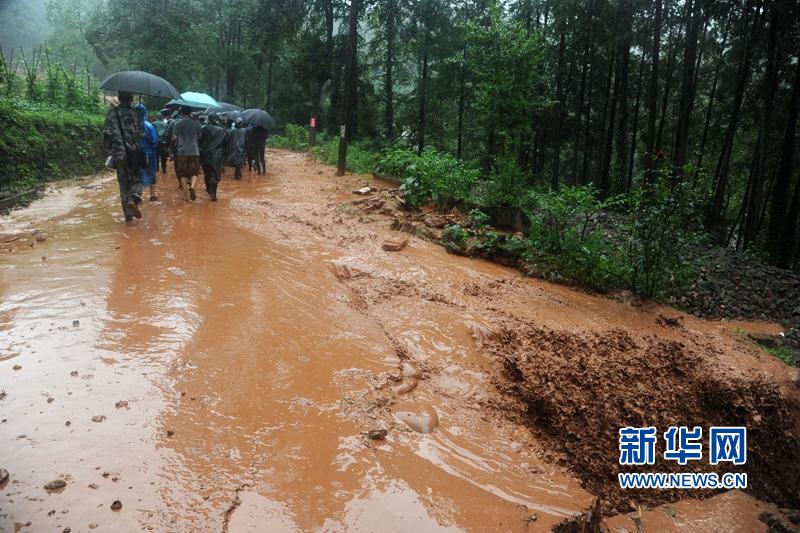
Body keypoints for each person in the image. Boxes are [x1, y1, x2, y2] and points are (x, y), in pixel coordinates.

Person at [103, 91, 145, 221]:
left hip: (118, 154)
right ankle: (135, 198)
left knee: (123, 183)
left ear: (120, 98)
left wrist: (108, 150)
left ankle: (128, 215)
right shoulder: (136, 114)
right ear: (131, 99)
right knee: (138, 179)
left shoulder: (111, 113)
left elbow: (106, 134)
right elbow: (142, 135)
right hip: (134, 153)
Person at [171, 106, 202, 201]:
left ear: (181, 113)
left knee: (182, 174)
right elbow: (200, 137)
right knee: (194, 172)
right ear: (190, 113)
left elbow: (174, 138)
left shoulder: (177, 124)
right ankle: (192, 186)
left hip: (182, 152)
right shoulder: (196, 124)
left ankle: (186, 197)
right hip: (194, 151)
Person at [199, 113, 228, 201]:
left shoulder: (203, 128)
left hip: (204, 155)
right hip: (217, 156)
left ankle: (208, 189)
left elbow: (199, 141)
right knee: (215, 175)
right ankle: (213, 194)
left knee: (206, 173)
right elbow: (225, 143)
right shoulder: (222, 130)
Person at [135, 103, 160, 201]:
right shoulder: (149, 126)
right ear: (145, 113)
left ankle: (138, 195)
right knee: (151, 173)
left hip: (135, 154)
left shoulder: (131, 125)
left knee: (138, 174)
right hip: (149, 154)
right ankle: (152, 194)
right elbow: (155, 140)